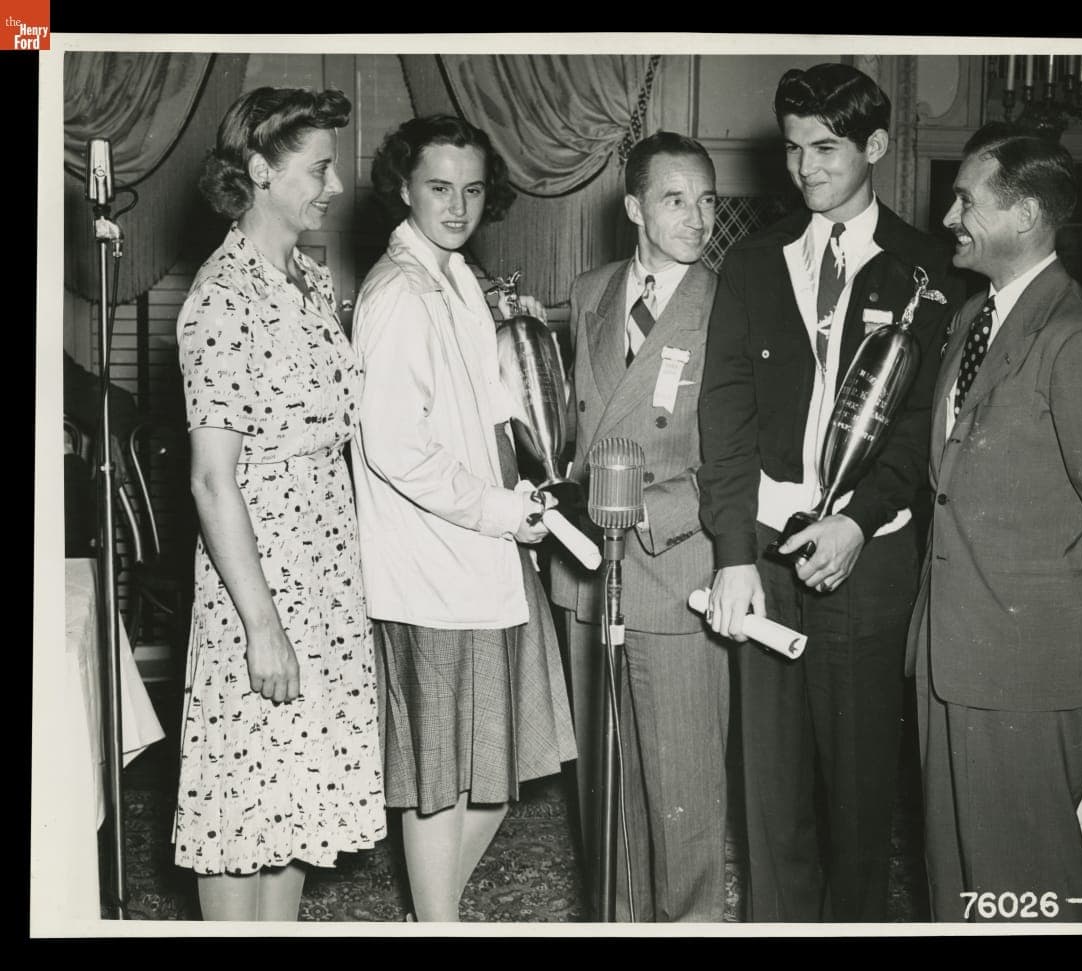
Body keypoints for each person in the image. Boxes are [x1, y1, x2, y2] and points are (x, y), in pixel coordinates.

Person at [697, 63, 959, 922]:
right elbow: (724, 415)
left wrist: (858, 520)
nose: (804, 168)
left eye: (825, 149)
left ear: (875, 146)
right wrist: (734, 553)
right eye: (792, 149)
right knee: (771, 789)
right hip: (769, 555)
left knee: (857, 790)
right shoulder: (753, 260)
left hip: (867, 557)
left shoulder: (929, 268)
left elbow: (924, 427)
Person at [908, 123, 1082, 922]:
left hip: (1026, 673)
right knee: (958, 884)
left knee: (1028, 893)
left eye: (966, 201)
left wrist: (1059, 636)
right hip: (946, 658)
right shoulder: (972, 320)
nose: (949, 217)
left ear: (1026, 215)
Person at [352, 115, 577, 922]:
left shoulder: (455, 278)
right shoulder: (397, 293)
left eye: (473, 190)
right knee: (442, 779)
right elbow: (395, 446)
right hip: (434, 569)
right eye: (439, 188)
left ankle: (432, 917)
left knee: (497, 770)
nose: (457, 206)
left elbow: (484, 406)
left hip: (484, 555)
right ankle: (437, 922)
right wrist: (499, 510)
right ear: (403, 188)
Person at [172, 86, 386, 921]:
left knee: (296, 791)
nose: (335, 185)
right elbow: (211, 479)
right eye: (319, 168)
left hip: (323, 570)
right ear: (260, 170)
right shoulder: (222, 296)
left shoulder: (303, 277)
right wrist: (262, 625)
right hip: (260, 579)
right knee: (241, 798)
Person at [550, 132, 727, 922]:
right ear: (633, 206)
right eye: (675, 199)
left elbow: (742, 456)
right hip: (589, 570)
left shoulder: (729, 301)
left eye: (707, 200)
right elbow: (566, 426)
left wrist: (652, 510)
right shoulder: (590, 290)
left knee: (684, 786)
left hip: (674, 565)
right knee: (606, 786)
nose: (698, 218)